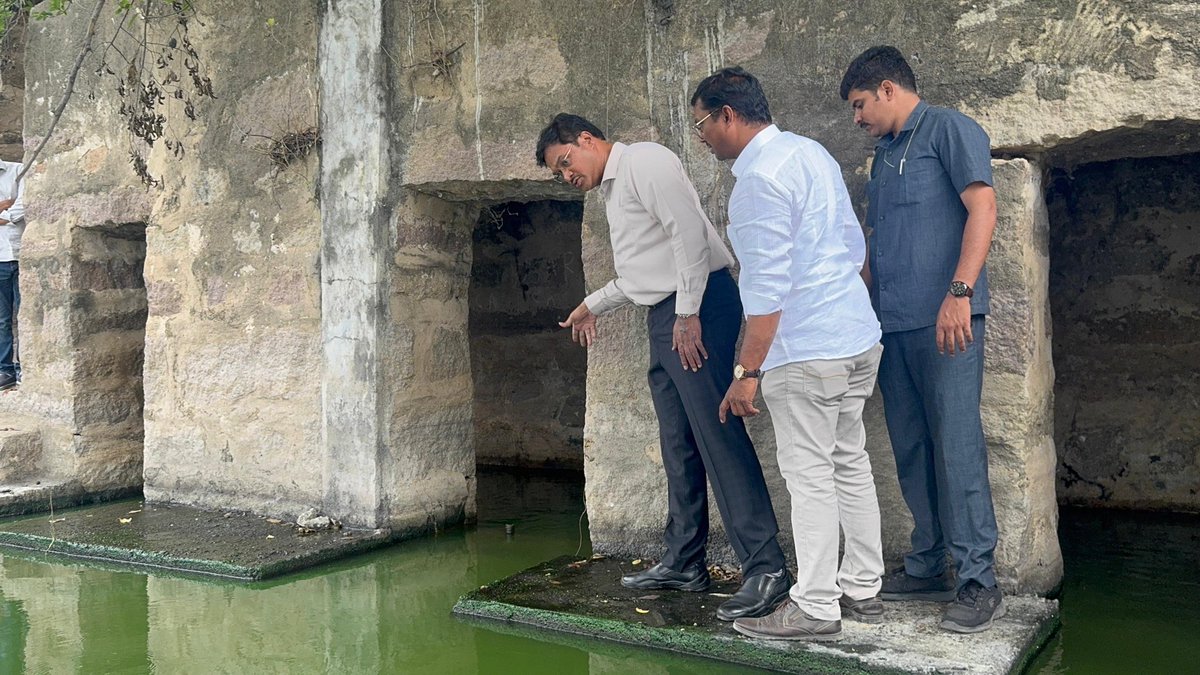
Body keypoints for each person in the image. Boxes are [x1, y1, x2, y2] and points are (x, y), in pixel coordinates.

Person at [535, 113, 791, 622]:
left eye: (566, 162)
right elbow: (641, 273)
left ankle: (766, 568)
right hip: (668, 313)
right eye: (559, 173)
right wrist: (593, 303)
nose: (568, 176)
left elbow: (690, 239)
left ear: (588, 139)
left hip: (695, 309)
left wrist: (689, 313)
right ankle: (683, 560)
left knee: (719, 436)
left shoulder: (645, 162)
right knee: (679, 440)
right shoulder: (614, 187)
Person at [689, 67, 886, 642]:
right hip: (854, 337)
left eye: (701, 123)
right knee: (849, 462)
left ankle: (817, 606)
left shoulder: (758, 182)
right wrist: (846, 312)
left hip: (805, 351)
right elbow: (855, 246)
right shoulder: (811, 154)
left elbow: (766, 293)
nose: (700, 136)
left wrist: (746, 372)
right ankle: (863, 588)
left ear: (728, 114)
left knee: (810, 477)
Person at [840, 45, 1003, 633]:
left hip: (948, 322)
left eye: (860, 105)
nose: (857, 118)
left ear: (887, 89)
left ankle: (979, 581)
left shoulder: (950, 129)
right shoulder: (883, 156)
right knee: (911, 447)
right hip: (890, 324)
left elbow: (983, 207)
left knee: (957, 445)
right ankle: (930, 561)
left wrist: (959, 292)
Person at [0, 159, 25, 393]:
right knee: (2, 320)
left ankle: (26, 368)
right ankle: (5, 370)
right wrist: (7, 205)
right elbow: (15, 207)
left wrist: (8, 211)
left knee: (27, 316)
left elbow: (25, 204)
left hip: (21, 253)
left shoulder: (17, 170)